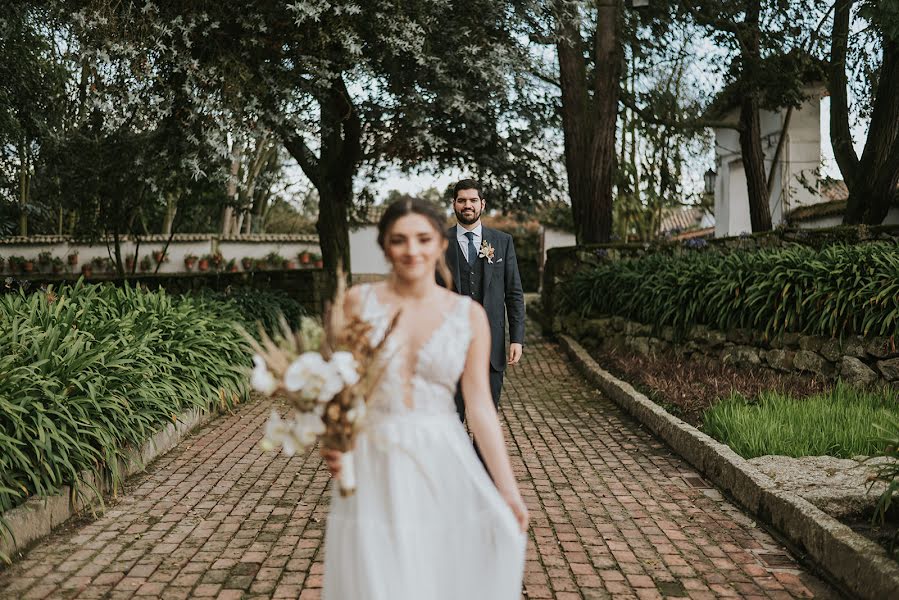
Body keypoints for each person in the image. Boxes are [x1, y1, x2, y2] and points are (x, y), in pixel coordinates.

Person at [320, 197, 528, 600]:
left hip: (441, 456)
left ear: (439, 244)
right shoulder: (357, 304)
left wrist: (508, 489)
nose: (411, 250)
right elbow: (340, 387)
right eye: (399, 240)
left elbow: (481, 407)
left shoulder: (468, 315)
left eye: (422, 239)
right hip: (372, 458)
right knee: (378, 577)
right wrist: (335, 438)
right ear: (384, 246)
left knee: (438, 572)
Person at [443, 178, 525, 419]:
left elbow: (514, 293)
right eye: (462, 200)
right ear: (454, 204)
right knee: (452, 420)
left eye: (473, 200)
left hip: (490, 348)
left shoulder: (502, 242)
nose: (467, 205)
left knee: (485, 417)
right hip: (450, 349)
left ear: (482, 204)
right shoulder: (438, 242)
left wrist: (517, 338)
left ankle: (480, 459)